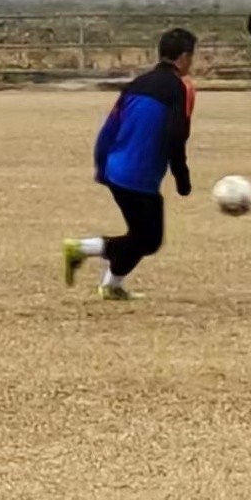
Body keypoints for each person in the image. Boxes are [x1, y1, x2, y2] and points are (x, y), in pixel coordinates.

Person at [62, 28, 197, 301]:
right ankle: (82, 249)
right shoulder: (178, 89)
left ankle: (111, 286)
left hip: (116, 168)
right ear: (184, 57)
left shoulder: (137, 83)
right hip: (138, 176)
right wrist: (182, 178)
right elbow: (176, 135)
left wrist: (101, 165)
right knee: (148, 240)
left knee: (142, 235)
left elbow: (110, 127)